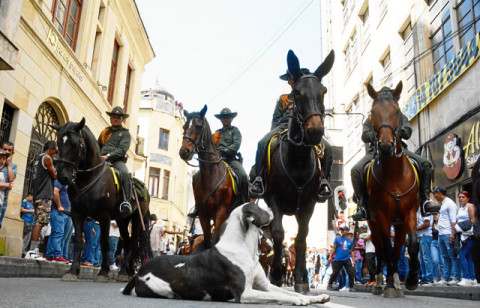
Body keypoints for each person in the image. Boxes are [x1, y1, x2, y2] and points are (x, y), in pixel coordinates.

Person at [249, 69, 333, 201]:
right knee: (262, 143)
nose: (291, 80)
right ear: (289, 82)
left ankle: (324, 182)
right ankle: (259, 179)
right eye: (290, 78)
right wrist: (276, 131)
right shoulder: (283, 99)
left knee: (327, 148)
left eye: (293, 78)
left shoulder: (309, 95)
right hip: (283, 128)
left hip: (304, 128)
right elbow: (275, 119)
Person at [350, 106, 436, 221]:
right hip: (375, 151)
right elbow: (365, 135)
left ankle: (425, 201)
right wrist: (377, 134)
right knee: (355, 170)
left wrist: (396, 131)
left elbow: (407, 131)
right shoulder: (371, 118)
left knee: (425, 164)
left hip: (399, 149)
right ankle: (363, 206)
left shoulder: (399, 116)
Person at [98, 106, 132, 214]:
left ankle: (126, 201)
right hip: (100, 159)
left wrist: (108, 156)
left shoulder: (125, 133)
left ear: (122, 119)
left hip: (116, 161)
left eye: (118, 117)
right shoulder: (105, 132)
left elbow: (122, 150)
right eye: (114, 117)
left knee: (125, 173)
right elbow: (97, 145)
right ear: (110, 118)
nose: (116, 119)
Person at [28, 141, 57, 259]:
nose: (56, 153)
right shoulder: (47, 158)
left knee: (39, 222)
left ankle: (33, 249)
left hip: (38, 194)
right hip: (44, 195)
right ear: (51, 149)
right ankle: (32, 250)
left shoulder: (38, 159)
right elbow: (54, 175)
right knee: (40, 222)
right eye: (56, 151)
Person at [212, 107, 248, 202]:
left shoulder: (235, 131)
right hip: (216, 160)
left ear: (231, 118)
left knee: (243, 176)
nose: (225, 119)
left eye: (227, 117)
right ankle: (197, 206)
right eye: (223, 117)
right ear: (220, 119)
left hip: (230, 159)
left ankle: (245, 201)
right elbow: (210, 145)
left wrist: (224, 151)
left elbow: (236, 145)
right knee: (198, 176)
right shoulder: (216, 133)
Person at [433, 186, 461, 285]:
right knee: (445, 256)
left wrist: (453, 234)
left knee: (452, 256)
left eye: (435, 194)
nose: (434, 196)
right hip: (441, 234)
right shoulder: (443, 204)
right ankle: (446, 277)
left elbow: (453, 221)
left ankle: (456, 277)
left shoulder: (450, 204)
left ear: (439, 193)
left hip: (448, 233)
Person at [454, 191, 477, 286]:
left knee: (462, 255)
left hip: (469, 234)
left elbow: (473, 220)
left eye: (463, 197)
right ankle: (472, 278)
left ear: (468, 198)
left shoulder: (470, 206)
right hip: (462, 234)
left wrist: (461, 226)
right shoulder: (460, 209)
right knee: (468, 256)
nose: (461, 199)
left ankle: (466, 277)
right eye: (459, 197)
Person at [45, 179, 70, 263]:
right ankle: (57, 255)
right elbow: (55, 192)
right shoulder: (59, 180)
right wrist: (59, 206)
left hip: (64, 212)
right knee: (58, 233)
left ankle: (50, 254)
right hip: (58, 211)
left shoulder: (66, 183)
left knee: (55, 233)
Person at [327, 226, 356, 292]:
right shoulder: (337, 238)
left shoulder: (350, 240)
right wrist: (330, 256)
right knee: (335, 272)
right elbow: (334, 248)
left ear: (347, 231)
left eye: (344, 230)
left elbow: (352, 251)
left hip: (347, 259)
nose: (342, 231)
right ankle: (330, 284)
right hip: (338, 259)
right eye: (341, 230)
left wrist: (353, 260)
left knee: (351, 272)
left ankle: (351, 287)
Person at [0, 141, 17, 229]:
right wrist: (6, 185)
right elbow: (8, 184)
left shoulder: (13, 166)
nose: (7, 152)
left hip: (3, 199)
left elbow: (11, 179)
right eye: (5, 149)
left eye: (9, 150)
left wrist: (9, 165)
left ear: (12, 152)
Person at [417, 207, 434, 285]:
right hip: (420, 236)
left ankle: (429, 278)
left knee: (426, 257)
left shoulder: (425, 208)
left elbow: (427, 224)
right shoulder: (417, 210)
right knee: (421, 258)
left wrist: (415, 229)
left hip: (425, 235)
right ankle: (424, 277)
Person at [430, 213, 444, 283]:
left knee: (442, 261)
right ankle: (435, 277)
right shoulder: (431, 225)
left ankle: (443, 278)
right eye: (434, 215)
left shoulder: (442, 224)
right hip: (434, 242)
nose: (435, 216)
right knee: (435, 260)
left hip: (441, 242)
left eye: (436, 214)